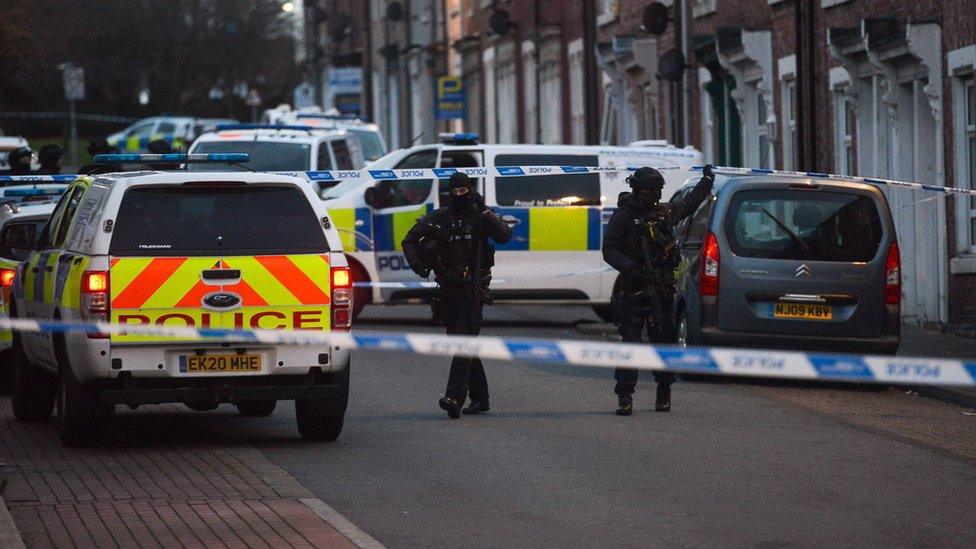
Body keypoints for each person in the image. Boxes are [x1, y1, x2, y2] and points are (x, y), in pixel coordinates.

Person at [603, 164, 715, 415]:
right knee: (630, 344)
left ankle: (664, 391)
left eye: (657, 192)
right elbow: (609, 250)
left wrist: (706, 181)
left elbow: (690, 204)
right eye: (648, 192)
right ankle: (624, 396)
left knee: (662, 343)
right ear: (635, 190)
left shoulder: (663, 213)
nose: (653, 197)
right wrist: (632, 268)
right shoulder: (623, 217)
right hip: (633, 289)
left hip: (662, 289)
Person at [401, 172, 512, 419]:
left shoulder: (481, 217)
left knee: (463, 342)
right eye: (456, 192)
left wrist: (485, 211)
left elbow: (505, 235)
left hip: (473, 290)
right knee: (461, 342)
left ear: (470, 190)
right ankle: (480, 398)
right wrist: (419, 266)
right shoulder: (441, 217)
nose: (460, 196)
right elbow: (409, 240)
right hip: (448, 291)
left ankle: (454, 398)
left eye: (464, 191)